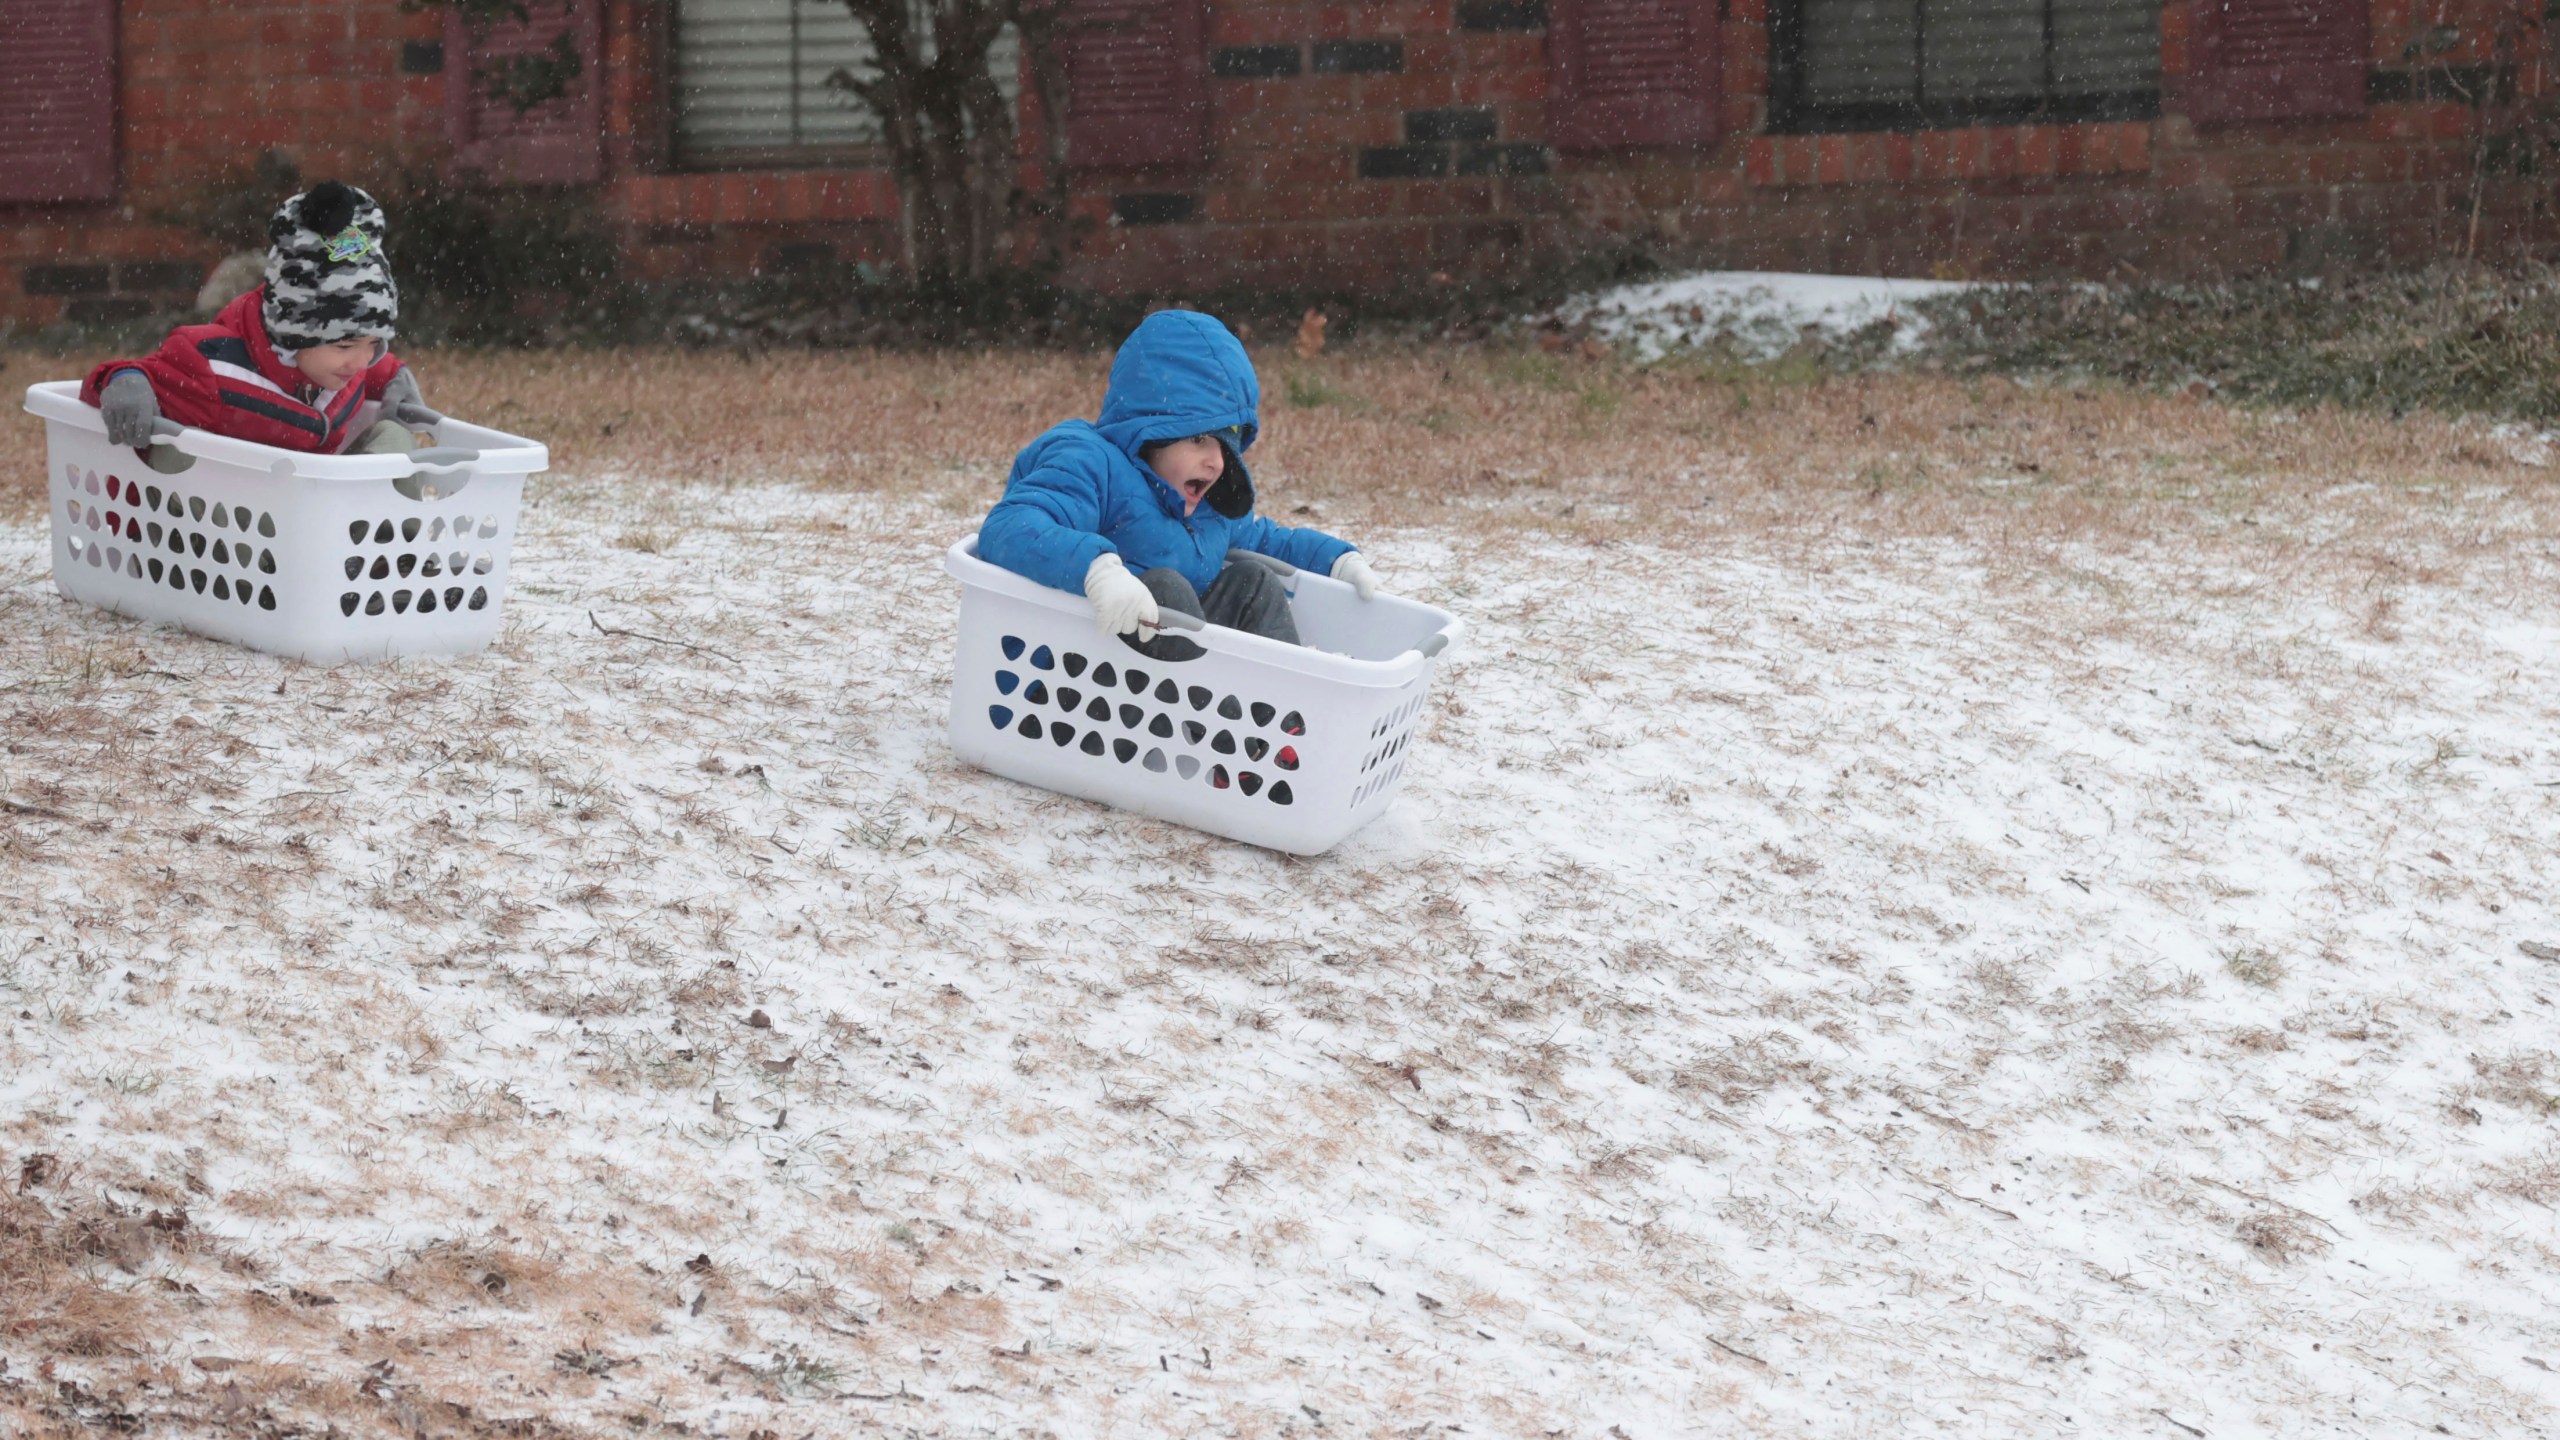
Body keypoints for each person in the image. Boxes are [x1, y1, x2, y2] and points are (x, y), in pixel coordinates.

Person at [978, 310, 1380, 659]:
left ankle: (1284, 723)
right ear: (1151, 431)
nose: (1216, 462)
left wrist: (1337, 561)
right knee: (1165, 592)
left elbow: (1268, 540)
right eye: (1200, 439)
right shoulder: (1089, 463)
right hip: (1066, 677)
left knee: (1254, 580)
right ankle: (1210, 728)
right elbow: (1009, 527)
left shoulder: (1209, 509)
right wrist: (1096, 570)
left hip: (1180, 686)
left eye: (1226, 446)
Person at [81, 182, 437, 473]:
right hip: (223, 527)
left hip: (307, 516)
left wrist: (395, 378)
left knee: (393, 438)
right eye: (345, 346)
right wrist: (127, 381)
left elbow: (371, 369)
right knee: (184, 455)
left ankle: (388, 551)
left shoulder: (345, 366)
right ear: (293, 333)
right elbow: (144, 374)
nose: (361, 361)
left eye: (373, 342)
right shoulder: (215, 366)